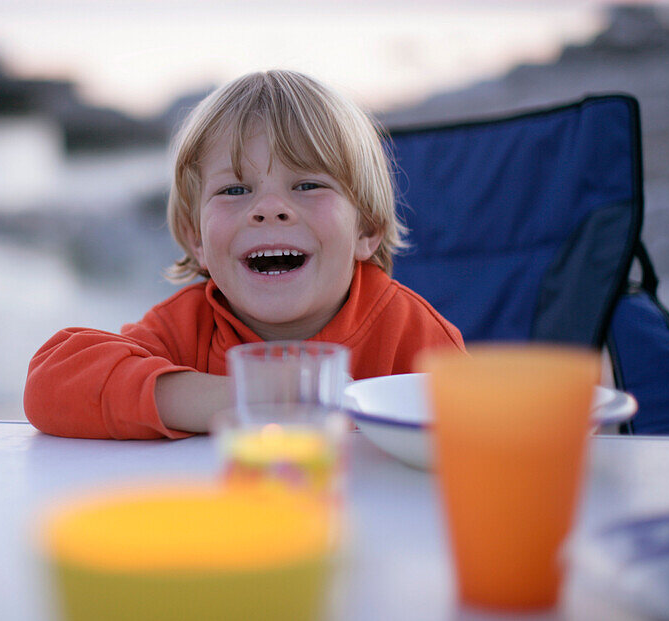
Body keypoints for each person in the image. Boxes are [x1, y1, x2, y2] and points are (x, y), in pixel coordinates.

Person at [24, 70, 464, 439]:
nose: (269, 208)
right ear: (196, 239)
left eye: (308, 185)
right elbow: (50, 382)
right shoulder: (187, 330)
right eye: (235, 190)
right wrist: (244, 396)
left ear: (366, 228)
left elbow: (471, 444)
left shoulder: (416, 338)